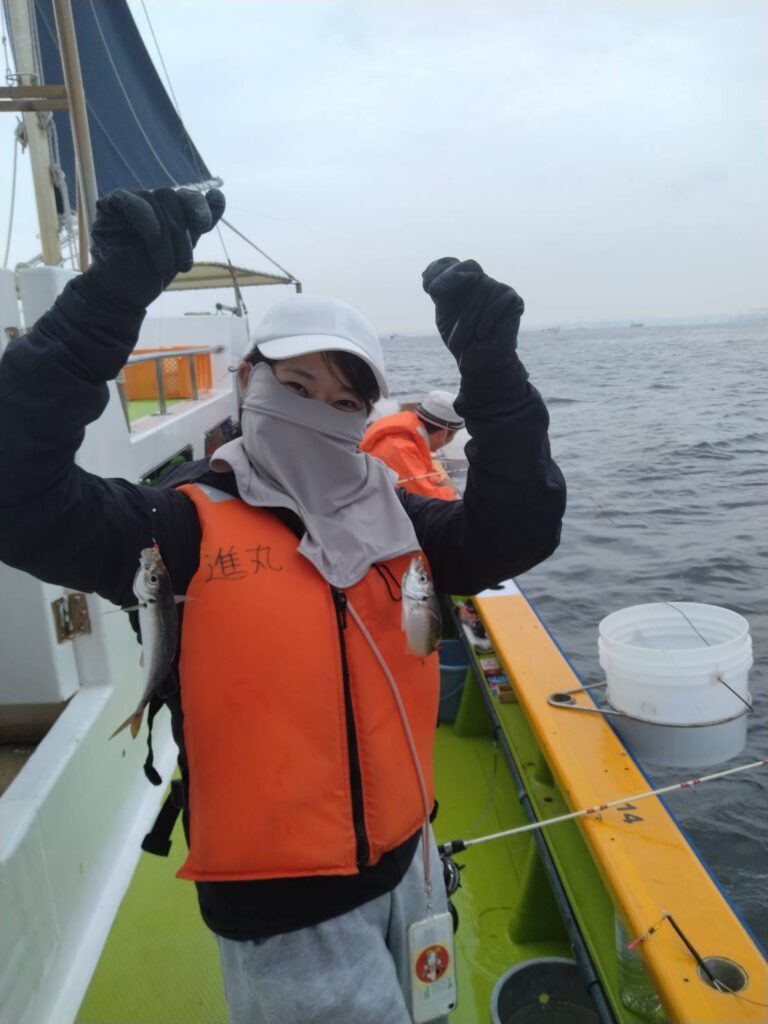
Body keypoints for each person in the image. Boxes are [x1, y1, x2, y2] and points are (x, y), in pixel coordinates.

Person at [0, 187, 566, 1024]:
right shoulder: (176, 528)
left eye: (343, 403)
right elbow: (17, 490)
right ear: (247, 381)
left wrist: (495, 378)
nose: (316, 415)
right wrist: (111, 295)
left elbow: (517, 528)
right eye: (295, 385)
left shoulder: (398, 519)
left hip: (411, 863)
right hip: (284, 910)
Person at [361, 390, 463, 500]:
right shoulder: (399, 449)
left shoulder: (408, 434)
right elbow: (428, 501)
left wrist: (437, 480)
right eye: (453, 434)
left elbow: (424, 470)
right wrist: (450, 489)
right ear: (443, 434)